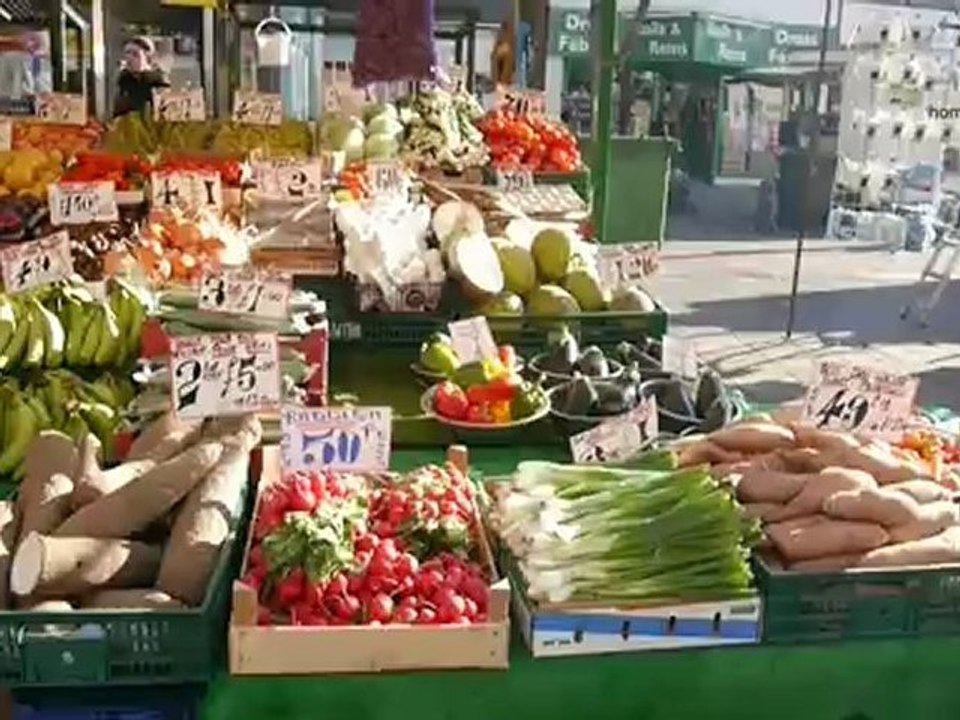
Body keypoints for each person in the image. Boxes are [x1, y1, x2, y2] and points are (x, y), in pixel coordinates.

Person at [113, 36, 169, 117]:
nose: (129, 58)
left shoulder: (158, 79)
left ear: (147, 57)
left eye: (135, 54)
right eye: (127, 53)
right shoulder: (124, 78)